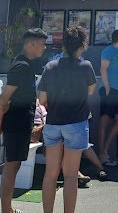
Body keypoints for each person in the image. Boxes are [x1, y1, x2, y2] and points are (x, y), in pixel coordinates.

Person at [38, 25, 96, 213]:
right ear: (82, 46)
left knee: (50, 175)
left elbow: (42, 99)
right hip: (77, 123)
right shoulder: (85, 66)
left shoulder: (50, 67)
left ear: (63, 46)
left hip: (54, 123)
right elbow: (91, 90)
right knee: (71, 175)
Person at [0, 28, 47, 213]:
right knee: (12, 165)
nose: (44, 48)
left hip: (22, 121)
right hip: (16, 122)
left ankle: (8, 208)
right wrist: (0, 122)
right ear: (31, 44)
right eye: (41, 44)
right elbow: (4, 97)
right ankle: (6, 210)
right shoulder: (21, 66)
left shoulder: (27, 65)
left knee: (15, 165)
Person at [98, 29, 118, 166]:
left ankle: (104, 150)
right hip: (108, 90)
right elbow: (103, 69)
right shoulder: (108, 50)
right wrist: (107, 88)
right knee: (104, 121)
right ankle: (102, 154)